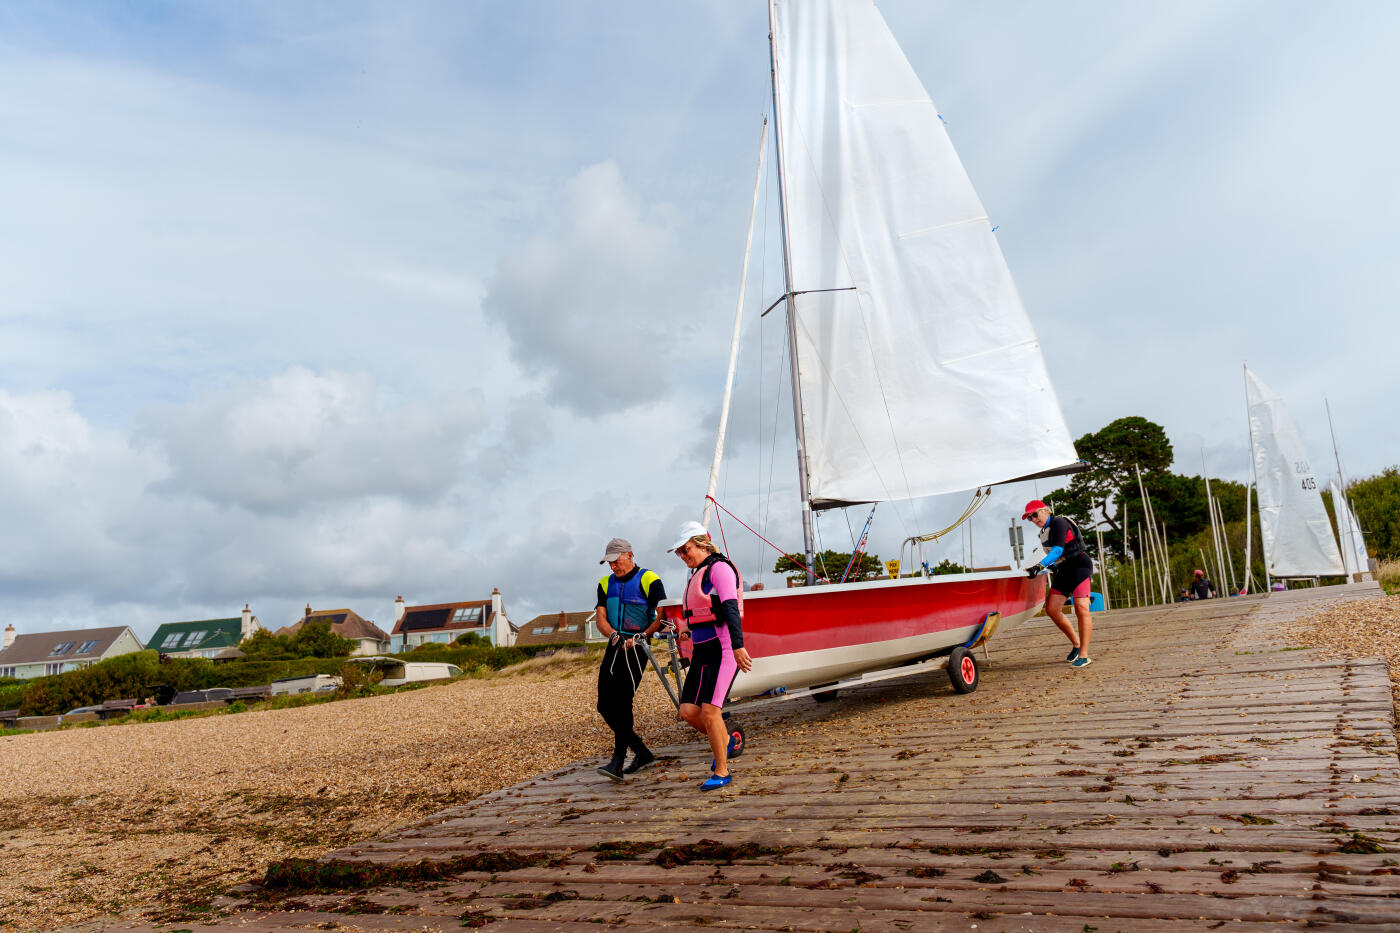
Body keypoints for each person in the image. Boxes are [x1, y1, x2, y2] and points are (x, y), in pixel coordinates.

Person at [670, 520, 753, 790]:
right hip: (702, 650)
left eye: (686, 549)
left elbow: (729, 608)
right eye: (679, 552)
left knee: (710, 711)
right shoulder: (697, 572)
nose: (683, 556)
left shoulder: (720, 569)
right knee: (687, 711)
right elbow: (703, 613)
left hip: (724, 648)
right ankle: (726, 740)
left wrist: (739, 646)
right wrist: (688, 631)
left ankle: (722, 771)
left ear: (702, 544)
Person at [594, 537, 667, 781]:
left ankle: (617, 761)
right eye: (609, 562)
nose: (613, 566)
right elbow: (601, 618)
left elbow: (661, 616)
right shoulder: (605, 583)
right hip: (615, 644)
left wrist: (641, 636)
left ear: (630, 555)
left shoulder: (649, 579)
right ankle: (642, 751)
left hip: (637, 647)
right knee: (604, 705)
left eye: (616, 560)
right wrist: (612, 634)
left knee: (623, 702)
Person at [1022, 500, 1095, 668]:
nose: (1033, 519)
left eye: (1035, 514)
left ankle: (1084, 655)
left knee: (1081, 608)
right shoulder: (1043, 532)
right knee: (1052, 609)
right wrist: (1045, 568)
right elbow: (1056, 557)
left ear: (1045, 510)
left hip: (1079, 567)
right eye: (1029, 518)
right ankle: (1076, 644)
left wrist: (1039, 566)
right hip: (1064, 571)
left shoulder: (1059, 522)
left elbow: (1057, 550)